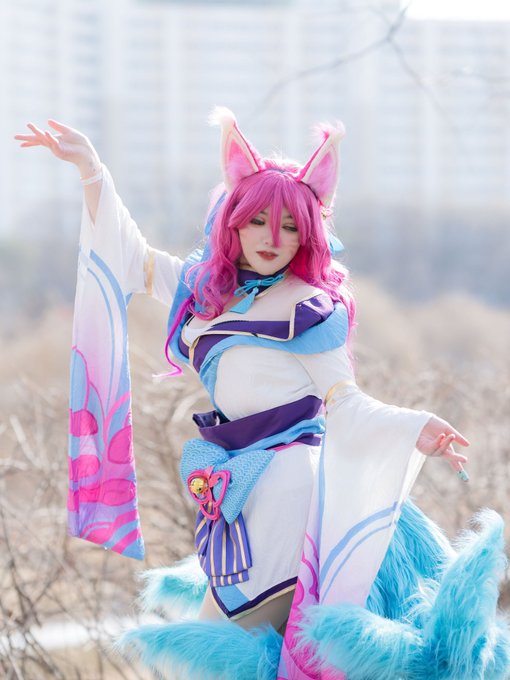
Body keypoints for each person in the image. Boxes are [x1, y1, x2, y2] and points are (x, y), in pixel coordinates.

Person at [14, 111, 509, 680]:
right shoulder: (208, 290)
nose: (272, 239)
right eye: (257, 221)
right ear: (234, 221)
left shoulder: (308, 306)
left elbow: (346, 402)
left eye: (290, 227)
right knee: (237, 662)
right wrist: (91, 170)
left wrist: (414, 427)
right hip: (239, 492)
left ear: (309, 233)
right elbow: (134, 258)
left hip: (291, 489)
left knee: (216, 661)